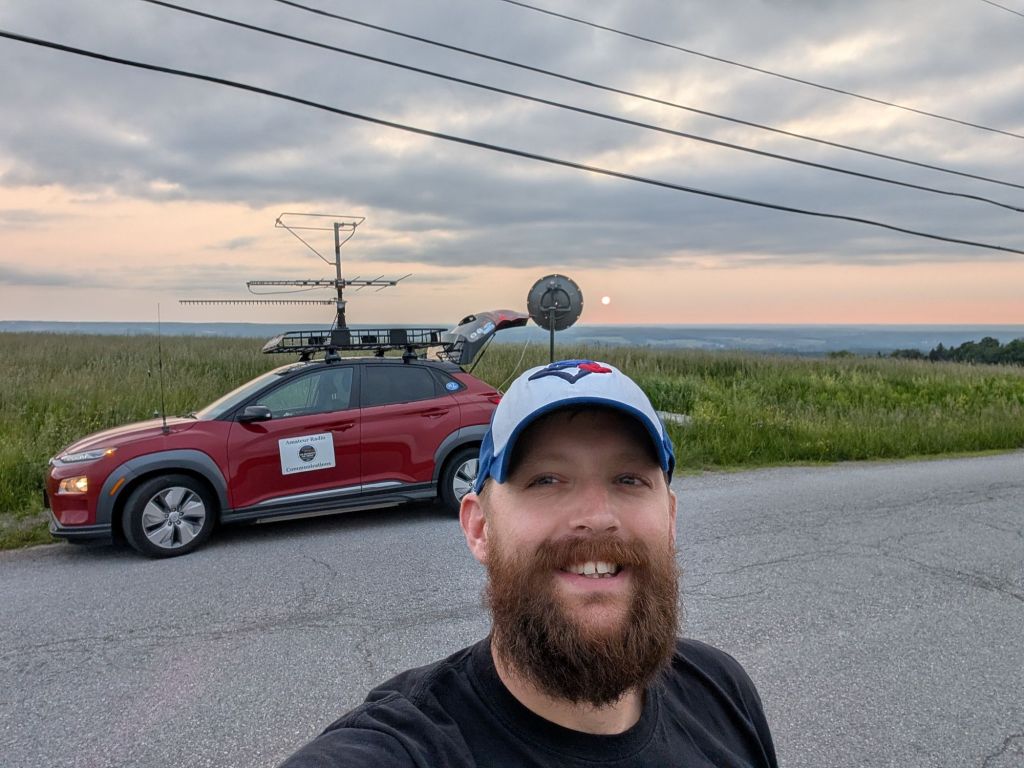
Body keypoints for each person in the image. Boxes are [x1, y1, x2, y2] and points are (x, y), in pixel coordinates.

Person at [279, 359, 778, 767]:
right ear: (480, 528)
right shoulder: (409, 747)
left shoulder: (720, 690)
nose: (596, 518)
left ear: (669, 520)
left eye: (629, 479)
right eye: (546, 480)